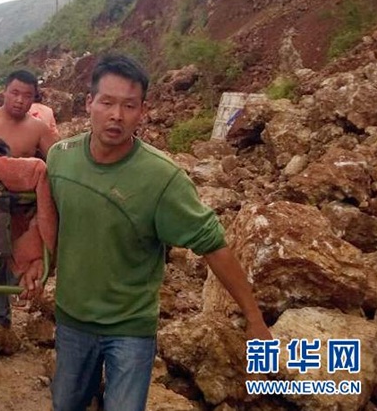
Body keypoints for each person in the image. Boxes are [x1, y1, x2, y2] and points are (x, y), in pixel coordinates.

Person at [46, 54, 272, 411]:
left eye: (128, 105)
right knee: (65, 405)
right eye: (106, 102)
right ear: (89, 103)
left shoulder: (161, 178)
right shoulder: (60, 158)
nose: (116, 115)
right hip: (72, 320)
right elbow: (47, 220)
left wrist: (255, 318)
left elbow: (213, 244)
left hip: (130, 328)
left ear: (143, 110)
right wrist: (33, 265)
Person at [0, 69, 59, 328]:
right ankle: (0, 316)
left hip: (22, 207)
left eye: (27, 95)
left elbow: (58, 164)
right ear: (4, 91)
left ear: (34, 99)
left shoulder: (38, 128)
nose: (20, 100)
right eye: (15, 93)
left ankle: (21, 290)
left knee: (21, 255)